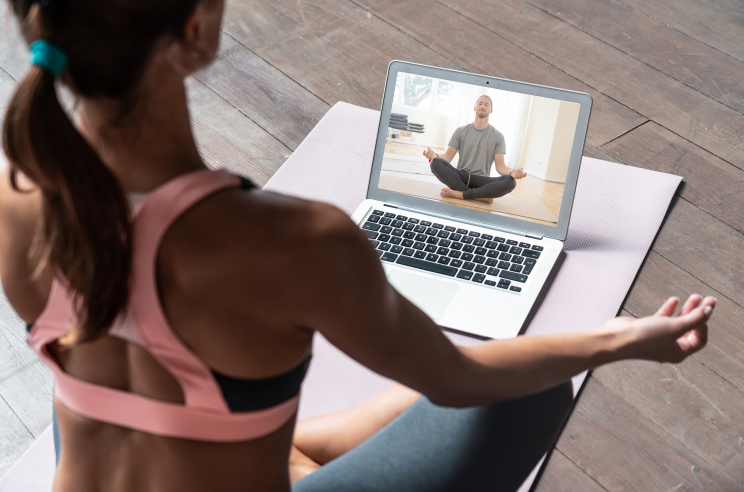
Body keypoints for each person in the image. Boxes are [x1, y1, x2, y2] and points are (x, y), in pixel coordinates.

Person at [0, 1, 716, 491]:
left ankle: (278, 442)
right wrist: (619, 340)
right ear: (193, 32)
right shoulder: (290, 241)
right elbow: (457, 382)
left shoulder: (13, 197)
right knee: (523, 388)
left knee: (200, 397)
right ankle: (278, 446)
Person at [424, 95, 527, 205]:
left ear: (491, 110)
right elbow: (448, 156)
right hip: (460, 177)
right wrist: (435, 156)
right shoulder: (460, 131)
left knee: (510, 182)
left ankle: (460, 194)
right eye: (480, 103)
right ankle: (479, 196)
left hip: (482, 181)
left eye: (486, 104)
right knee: (435, 164)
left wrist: (512, 173)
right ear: (475, 107)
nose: (483, 106)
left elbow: (500, 166)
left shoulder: (498, 136)